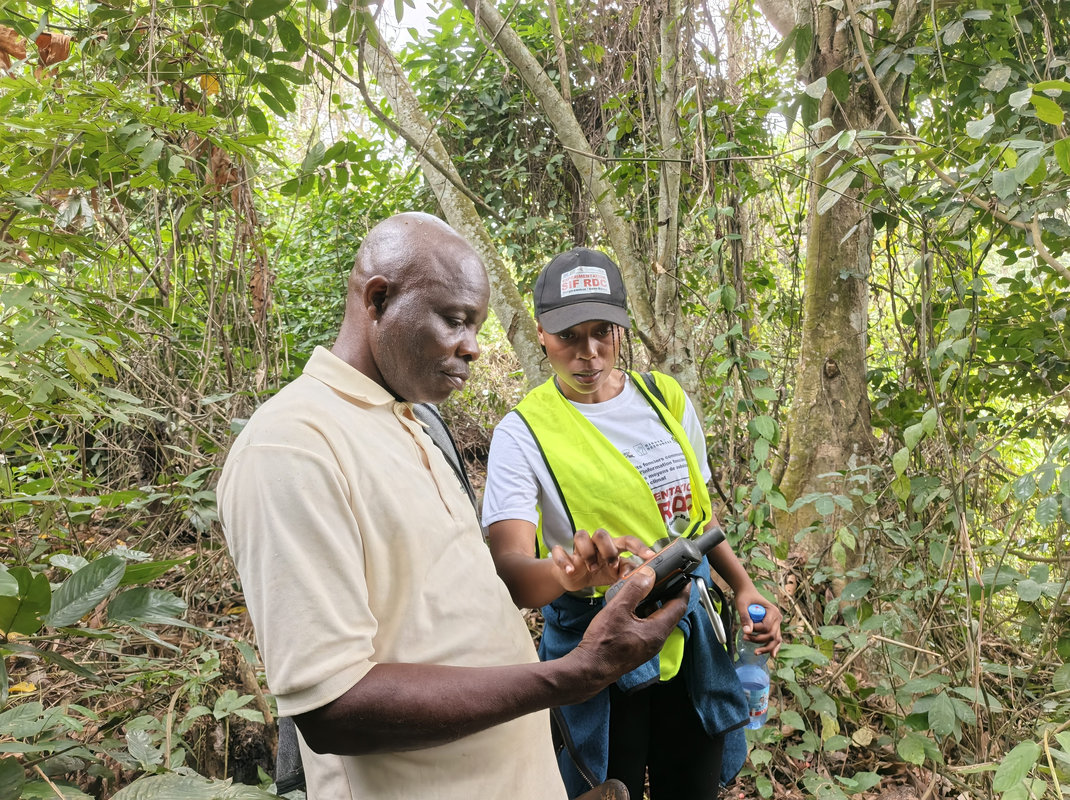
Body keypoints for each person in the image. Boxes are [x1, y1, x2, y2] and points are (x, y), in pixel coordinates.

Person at [216, 213, 687, 800]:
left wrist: (571, 575)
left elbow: (442, 605)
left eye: (478, 325)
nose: (473, 347)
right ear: (380, 299)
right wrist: (569, 676)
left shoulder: (413, 419)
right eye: (456, 319)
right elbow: (332, 708)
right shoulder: (293, 446)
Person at [482, 247, 784, 799]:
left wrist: (742, 586)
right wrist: (570, 577)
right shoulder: (522, 434)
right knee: (605, 785)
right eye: (569, 335)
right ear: (542, 335)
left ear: (623, 328)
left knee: (692, 784)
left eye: (604, 331)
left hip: (688, 637)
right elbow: (511, 570)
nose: (589, 352)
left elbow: (697, 520)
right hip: (599, 650)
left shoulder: (664, 398)